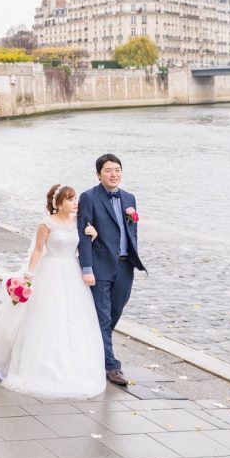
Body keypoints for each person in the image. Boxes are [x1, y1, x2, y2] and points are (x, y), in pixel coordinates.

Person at [0, 185, 106, 399]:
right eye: (70, 200)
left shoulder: (79, 223)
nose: (75, 203)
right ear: (58, 203)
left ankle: (73, 364)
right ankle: (37, 364)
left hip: (71, 272)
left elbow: (80, 249)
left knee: (73, 318)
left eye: (75, 199)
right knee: (46, 317)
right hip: (50, 270)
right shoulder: (46, 224)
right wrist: (29, 275)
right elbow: (38, 250)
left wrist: (93, 235)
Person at [77, 153, 146, 387]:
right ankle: (111, 365)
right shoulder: (89, 198)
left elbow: (131, 230)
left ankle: (93, 347)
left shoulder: (129, 198)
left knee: (116, 311)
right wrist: (87, 268)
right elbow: (83, 235)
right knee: (103, 316)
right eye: (108, 170)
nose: (113, 174)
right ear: (98, 174)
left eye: (117, 170)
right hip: (100, 266)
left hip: (126, 265)